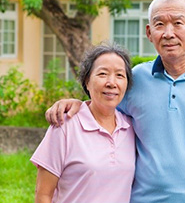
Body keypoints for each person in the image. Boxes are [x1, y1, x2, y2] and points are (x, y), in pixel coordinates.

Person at [46, 0, 185, 203]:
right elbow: (104, 112)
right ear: (149, 33)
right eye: (159, 25)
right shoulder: (135, 79)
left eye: (178, 23)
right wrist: (78, 104)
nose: (168, 33)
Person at [31, 43, 136, 202]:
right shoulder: (65, 126)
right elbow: (43, 194)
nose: (111, 82)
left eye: (120, 75)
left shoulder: (131, 127)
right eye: (102, 74)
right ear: (87, 81)